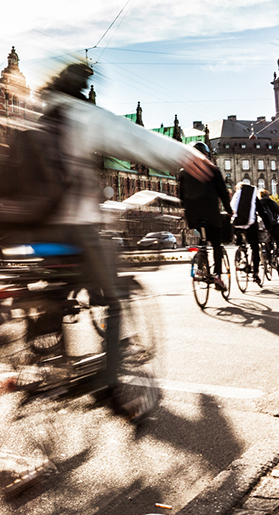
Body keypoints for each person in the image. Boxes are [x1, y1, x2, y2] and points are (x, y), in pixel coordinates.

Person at [29, 62, 213, 419]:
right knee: (113, 299)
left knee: (53, 290)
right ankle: (110, 383)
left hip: (35, 228)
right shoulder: (80, 114)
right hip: (75, 225)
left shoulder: (37, 114)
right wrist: (184, 154)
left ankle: (41, 349)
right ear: (80, 89)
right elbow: (131, 138)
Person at [178, 142, 233, 290]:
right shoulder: (213, 170)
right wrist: (229, 210)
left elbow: (181, 197)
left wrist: (187, 211)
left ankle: (201, 266)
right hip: (211, 215)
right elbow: (223, 193)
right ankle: (217, 277)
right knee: (216, 244)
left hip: (193, 218)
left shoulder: (183, 172)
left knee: (202, 241)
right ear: (206, 155)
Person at [231, 183, 261, 286]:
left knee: (239, 241)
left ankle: (240, 256)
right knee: (255, 247)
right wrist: (269, 226)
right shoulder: (253, 196)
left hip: (236, 226)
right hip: (250, 225)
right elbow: (262, 212)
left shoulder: (236, 196)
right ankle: (255, 272)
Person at [257, 189, 279, 261]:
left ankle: (265, 257)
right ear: (267, 195)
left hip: (261, 225)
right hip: (272, 225)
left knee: (262, 240)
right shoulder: (272, 203)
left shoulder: (257, 203)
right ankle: (277, 248)